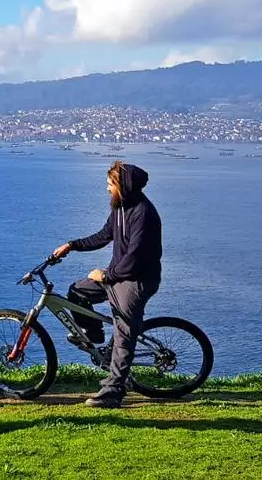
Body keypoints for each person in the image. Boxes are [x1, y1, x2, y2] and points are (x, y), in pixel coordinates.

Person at [52, 160, 162, 408]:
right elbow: (104, 236)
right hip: (118, 275)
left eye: (110, 184)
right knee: (78, 291)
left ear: (123, 186)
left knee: (123, 335)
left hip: (137, 280)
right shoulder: (120, 208)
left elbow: (134, 259)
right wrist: (72, 245)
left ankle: (113, 392)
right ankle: (93, 333)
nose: (107, 189)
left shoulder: (143, 214)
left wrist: (107, 275)